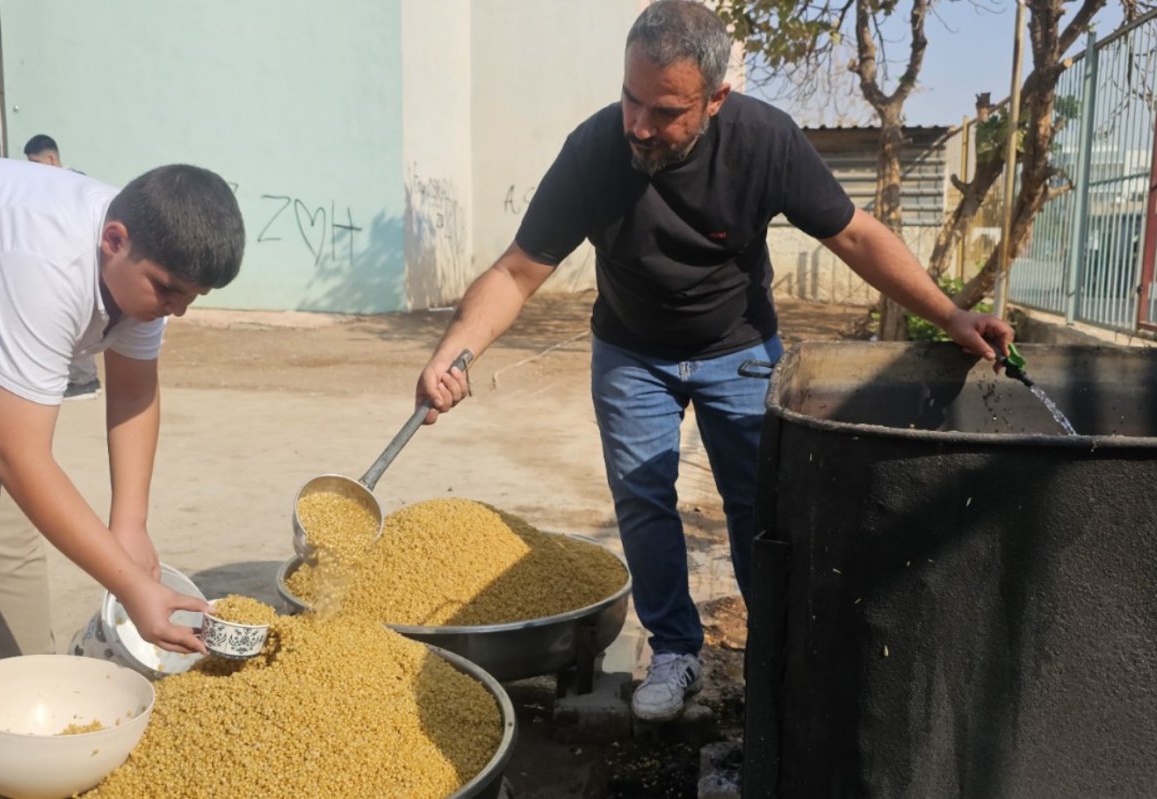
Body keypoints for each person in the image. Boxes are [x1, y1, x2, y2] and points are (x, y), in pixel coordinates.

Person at [416, 0, 1014, 722]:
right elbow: (517, 272)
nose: (639, 124)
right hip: (631, 351)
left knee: (759, 504)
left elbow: (854, 236)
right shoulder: (595, 149)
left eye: (664, 111)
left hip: (739, 347)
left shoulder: (764, 140)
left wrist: (948, 313)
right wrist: (456, 350)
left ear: (715, 98)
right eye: (631, 98)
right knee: (644, 499)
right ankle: (674, 648)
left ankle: (780, 647)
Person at [0, 157, 245, 668]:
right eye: (170, 291)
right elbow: (15, 453)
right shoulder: (45, 263)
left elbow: (133, 394)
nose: (178, 311)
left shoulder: (143, 261)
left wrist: (129, 524)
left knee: (7, 549)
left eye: (193, 298)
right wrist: (131, 585)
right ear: (113, 240)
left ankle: (20, 712)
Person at [24, 134, 99, 399]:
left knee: (75, 327)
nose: (31, 168)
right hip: (55, 265)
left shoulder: (73, 185)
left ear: (52, 160)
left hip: (75, 266)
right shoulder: (52, 185)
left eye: (35, 162)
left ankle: (84, 381)